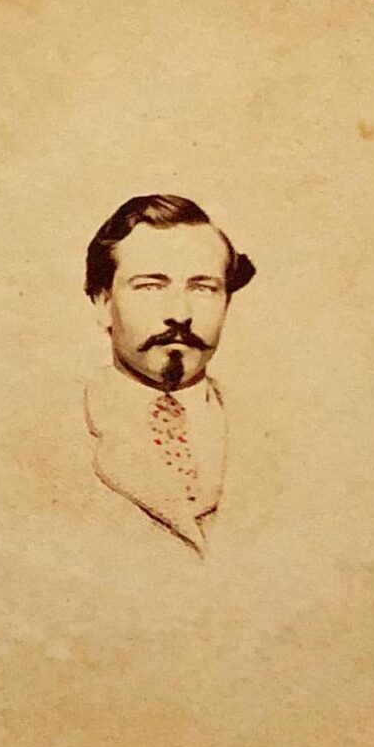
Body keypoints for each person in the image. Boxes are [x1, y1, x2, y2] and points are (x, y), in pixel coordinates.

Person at [83, 194, 255, 554]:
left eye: (203, 288)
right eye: (150, 286)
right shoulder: (34, 445)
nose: (180, 313)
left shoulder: (286, 440)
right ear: (103, 303)